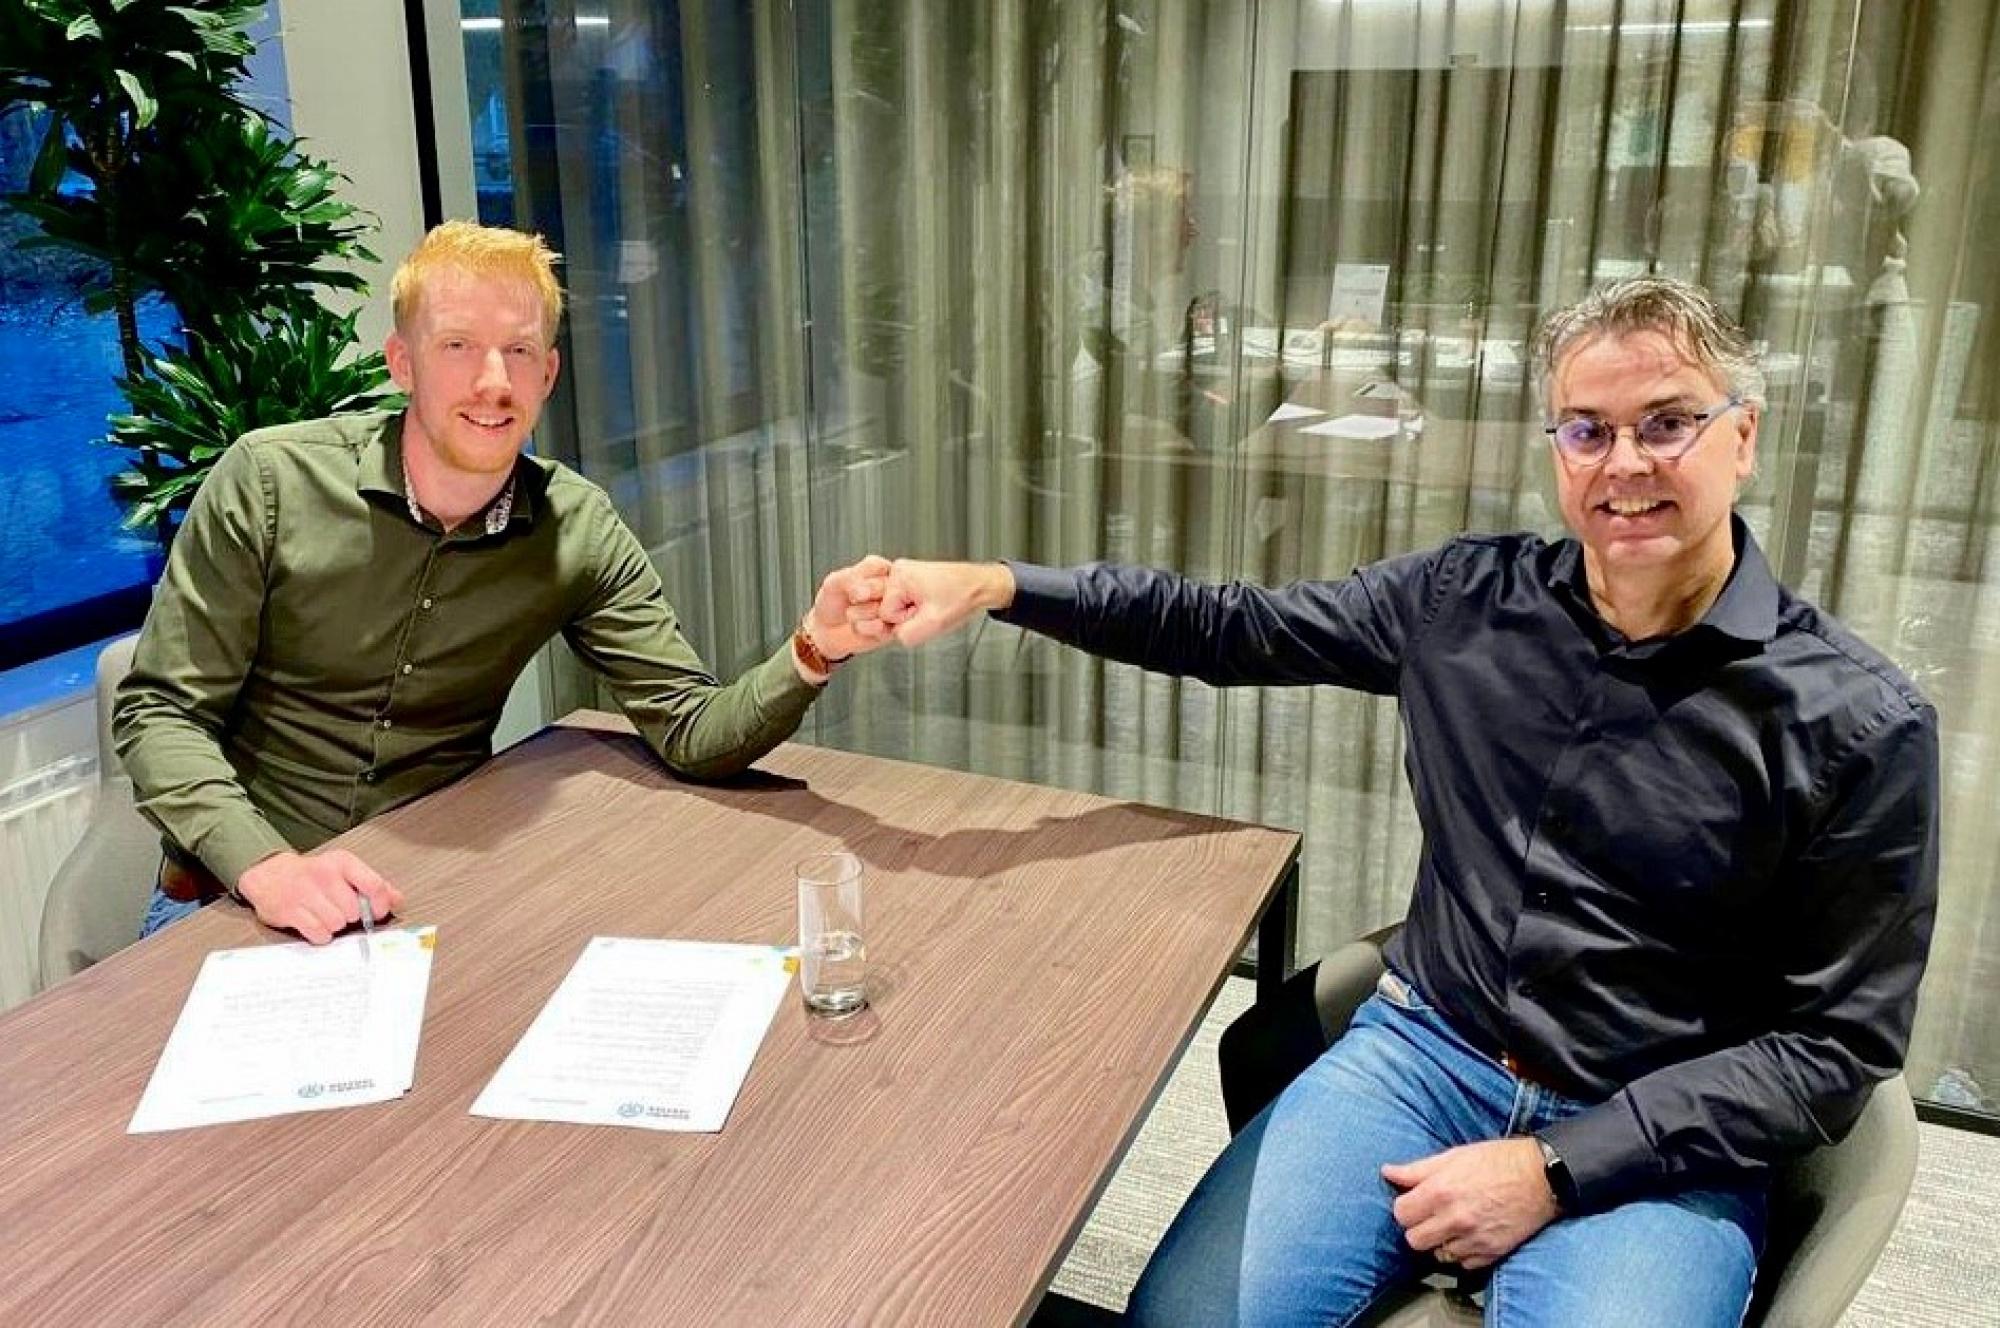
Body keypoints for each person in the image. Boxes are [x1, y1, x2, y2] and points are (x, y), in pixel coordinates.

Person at [851, 276, 1939, 1326]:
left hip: (1656, 1130)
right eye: (1586, 429)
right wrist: (996, 585)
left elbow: (1833, 1049)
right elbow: (1228, 626)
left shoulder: (1855, 722)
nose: (1624, 463)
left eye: (1667, 424)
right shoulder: (1463, 602)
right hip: (1428, 1054)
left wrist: (1555, 1166)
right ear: (1555, 449)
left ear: (1742, 437)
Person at [115, 221, 888, 946]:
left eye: (519, 351)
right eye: (458, 345)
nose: (493, 381)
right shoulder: (270, 481)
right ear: (402, 363)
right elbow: (159, 712)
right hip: (232, 897)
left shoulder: (575, 527)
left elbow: (689, 730)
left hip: (417, 896)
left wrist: (815, 647)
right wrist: (269, 869)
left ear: (547, 374)